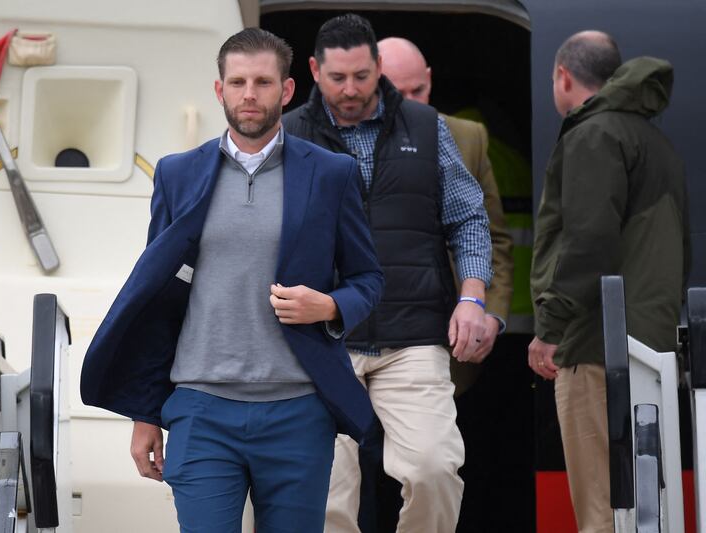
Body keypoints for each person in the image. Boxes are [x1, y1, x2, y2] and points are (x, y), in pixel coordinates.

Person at [80, 27, 384, 531]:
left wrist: (328, 306)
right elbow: (157, 300)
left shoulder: (331, 173)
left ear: (287, 91)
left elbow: (367, 278)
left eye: (263, 82)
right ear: (219, 90)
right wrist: (144, 412)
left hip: (299, 411)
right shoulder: (177, 174)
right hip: (200, 411)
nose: (250, 94)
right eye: (238, 82)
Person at [282, 14, 492, 532]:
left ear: (378, 67)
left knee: (434, 469)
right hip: (321, 340)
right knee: (325, 489)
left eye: (361, 75)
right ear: (314, 70)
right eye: (337, 78)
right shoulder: (288, 135)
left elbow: (468, 216)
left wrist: (472, 298)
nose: (350, 90)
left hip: (414, 336)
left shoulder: (425, 126)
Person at [529, 31, 690, 533]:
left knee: (601, 504)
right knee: (648, 506)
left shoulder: (593, 136)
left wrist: (550, 328)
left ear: (563, 76)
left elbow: (587, 242)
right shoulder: (652, 140)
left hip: (596, 346)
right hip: (649, 346)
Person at [377, 35, 516, 531]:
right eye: (397, 92)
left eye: (418, 90)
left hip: (447, 346)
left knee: (440, 470)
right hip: (357, 338)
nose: (410, 103)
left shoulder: (468, 137)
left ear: (430, 80)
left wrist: (489, 312)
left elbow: (493, 237)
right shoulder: (334, 136)